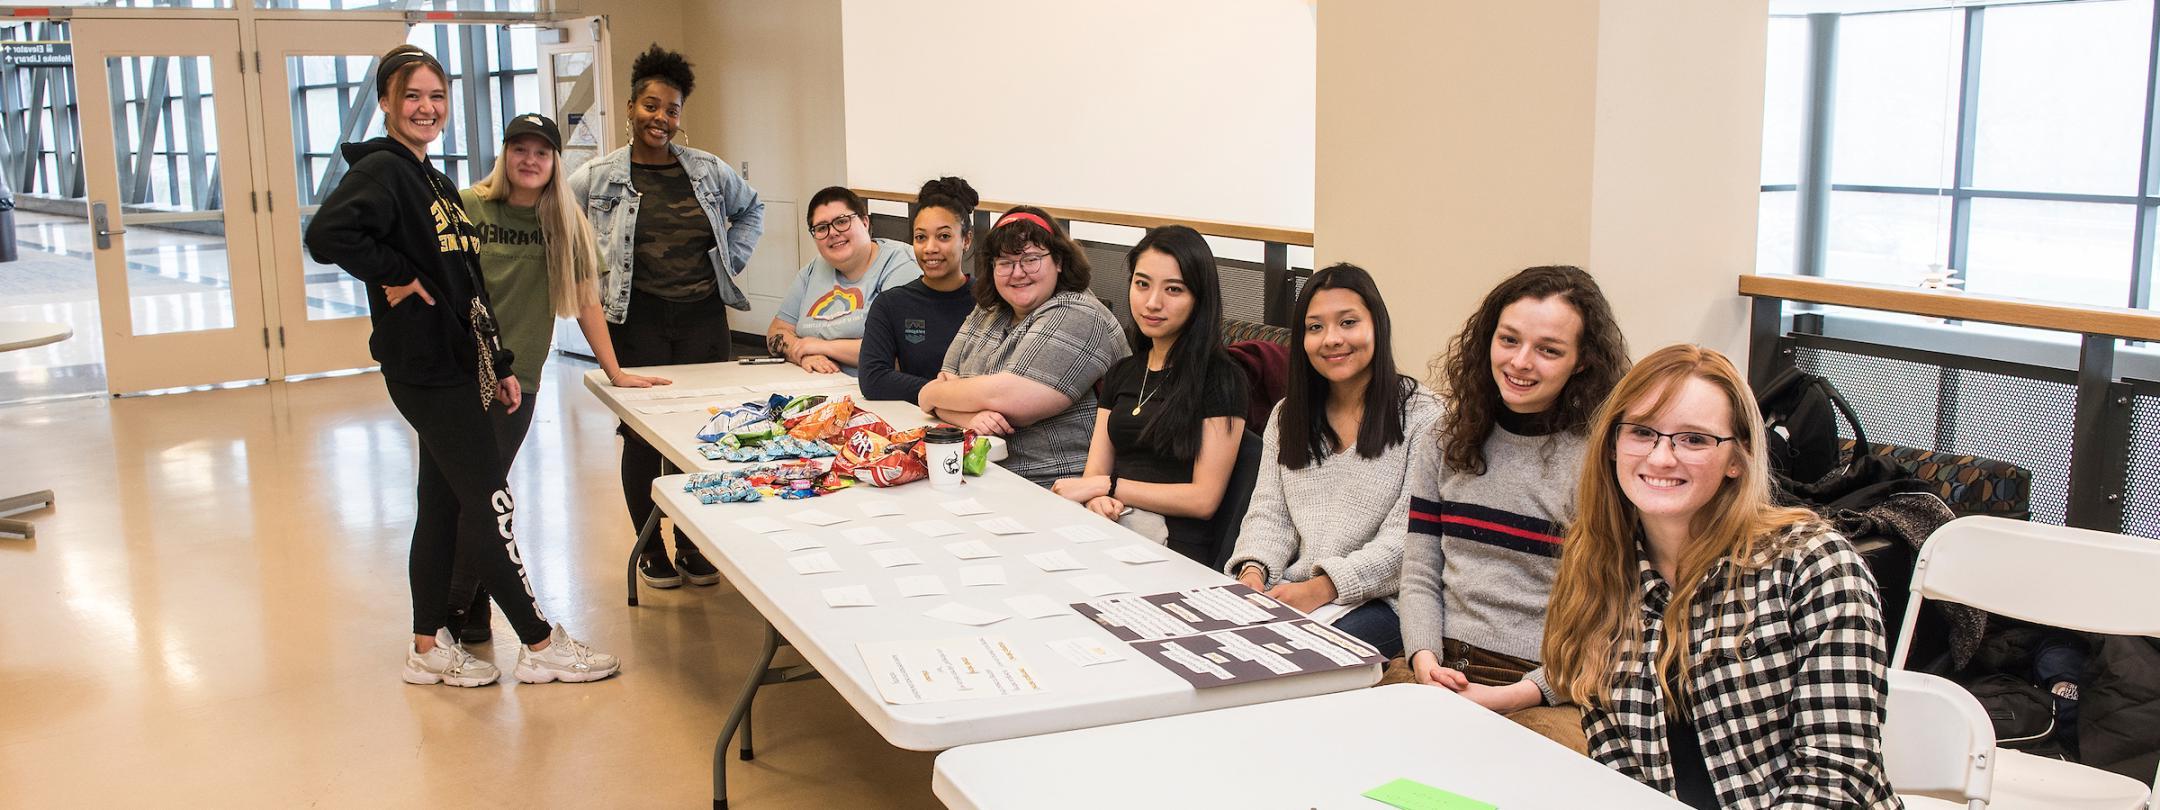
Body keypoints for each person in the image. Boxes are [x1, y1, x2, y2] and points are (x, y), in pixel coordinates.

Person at [305, 44, 617, 686]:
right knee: (490, 502)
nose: (426, 107)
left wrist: (498, 361)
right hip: (426, 367)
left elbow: (465, 281)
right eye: (412, 95)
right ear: (387, 103)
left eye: (436, 97)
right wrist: (394, 274)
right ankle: (538, 642)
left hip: (461, 361)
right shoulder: (385, 171)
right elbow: (327, 235)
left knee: (444, 506)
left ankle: (426, 646)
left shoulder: (433, 182)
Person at [1543, 345, 1898, 808]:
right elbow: (1620, 773)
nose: (1661, 457)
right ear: (1613, 444)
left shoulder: (1816, 565)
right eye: (1642, 432)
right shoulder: (1597, 568)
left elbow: (1835, 778)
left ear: (1739, 458)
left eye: (1693, 439)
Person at [443, 113, 669, 643]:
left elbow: (588, 299)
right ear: (505, 155)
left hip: (516, 379)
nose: (529, 160)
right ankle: (459, 605)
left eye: (541, 153)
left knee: (484, 492)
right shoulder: (470, 205)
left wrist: (614, 372)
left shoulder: (565, 223)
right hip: (458, 373)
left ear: (554, 162)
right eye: (519, 149)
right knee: (464, 493)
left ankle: (466, 602)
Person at [1396, 265, 1628, 751]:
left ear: (1581, 361)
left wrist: (1518, 694)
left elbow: (1610, 615)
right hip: (1439, 664)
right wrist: (1423, 658)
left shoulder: (1601, 459)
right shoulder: (1445, 437)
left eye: (1548, 350)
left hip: (1547, 689)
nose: (1522, 362)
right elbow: (1419, 570)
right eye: (1509, 340)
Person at [567, 44, 764, 591]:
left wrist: (733, 255)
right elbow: (561, 223)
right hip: (637, 319)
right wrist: (586, 276)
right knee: (644, 437)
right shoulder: (598, 175)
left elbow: (752, 208)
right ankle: (650, 545)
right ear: (630, 107)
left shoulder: (706, 169)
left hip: (703, 316)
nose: (662, 118)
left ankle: (696, 545)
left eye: (672, 109)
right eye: (651, 106)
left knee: (704, 433)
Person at [1223, 264, 1438, 659]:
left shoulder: (1424, 417)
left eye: (1348, 322)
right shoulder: (1289, 416)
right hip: (1293, 590)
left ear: (1377, 326)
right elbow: (1270, 514)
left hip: (1383, 602)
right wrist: (1252, 574)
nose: (1332, 339)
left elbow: (1407, 545)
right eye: (1315, 327)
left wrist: (1320, 589)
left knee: (1288, 658)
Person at [1051, 225, 1246, 563]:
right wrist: (1098, 498)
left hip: (1174, 548)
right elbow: (1095, 473)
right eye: (1142, 284)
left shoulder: (1221, 378)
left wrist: (1108, 488)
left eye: (1173, 289)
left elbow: (1204, 499)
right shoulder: (1123, 372)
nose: (1152, 303)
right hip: (1115, 526)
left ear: (1199, 298)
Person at [916, 207, 1126, 486]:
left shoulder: (1079, 313)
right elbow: (945, 381)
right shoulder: (990, 310)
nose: (1017, 273)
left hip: (1054, 485)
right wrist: (967, 415)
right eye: (1004, 263)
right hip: (982, 474)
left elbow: (1013, 402)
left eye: (1031, 259)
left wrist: (931, 393)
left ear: (1059, 261)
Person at [765, 186, 920, 375]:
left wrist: (817, 346)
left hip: (875, 392)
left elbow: (898, 353)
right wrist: (802, 353)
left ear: (865, 222)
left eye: (842, 221)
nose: (833, 232)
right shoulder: (813, 270)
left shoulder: (901, 265)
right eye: (821, 228)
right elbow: (776, 331)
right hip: (814, 385)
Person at [859, 176, 979, 403]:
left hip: (986, 421)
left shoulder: (989, 301)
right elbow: (873, 379)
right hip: (918, 422)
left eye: (944, 236)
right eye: (921, 237)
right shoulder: (891, 304)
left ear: (966, 239)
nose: (930, 248)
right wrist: (946, 394)